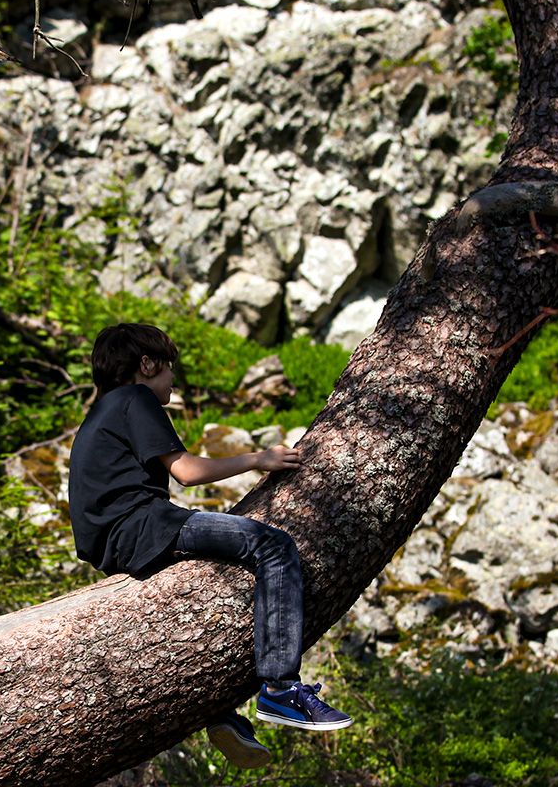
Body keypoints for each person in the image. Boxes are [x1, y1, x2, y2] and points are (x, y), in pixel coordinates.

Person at [67, 323, 353, 768]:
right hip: (143, 525)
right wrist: (259, 458)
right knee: (274, 547)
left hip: (113, 543)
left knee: (195, 610)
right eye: (169, 369)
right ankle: (280, 688)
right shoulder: (134, 398)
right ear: (146, 365)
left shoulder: (100, 411)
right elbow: (186, 471)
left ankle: (219, 712)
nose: (173, 380)